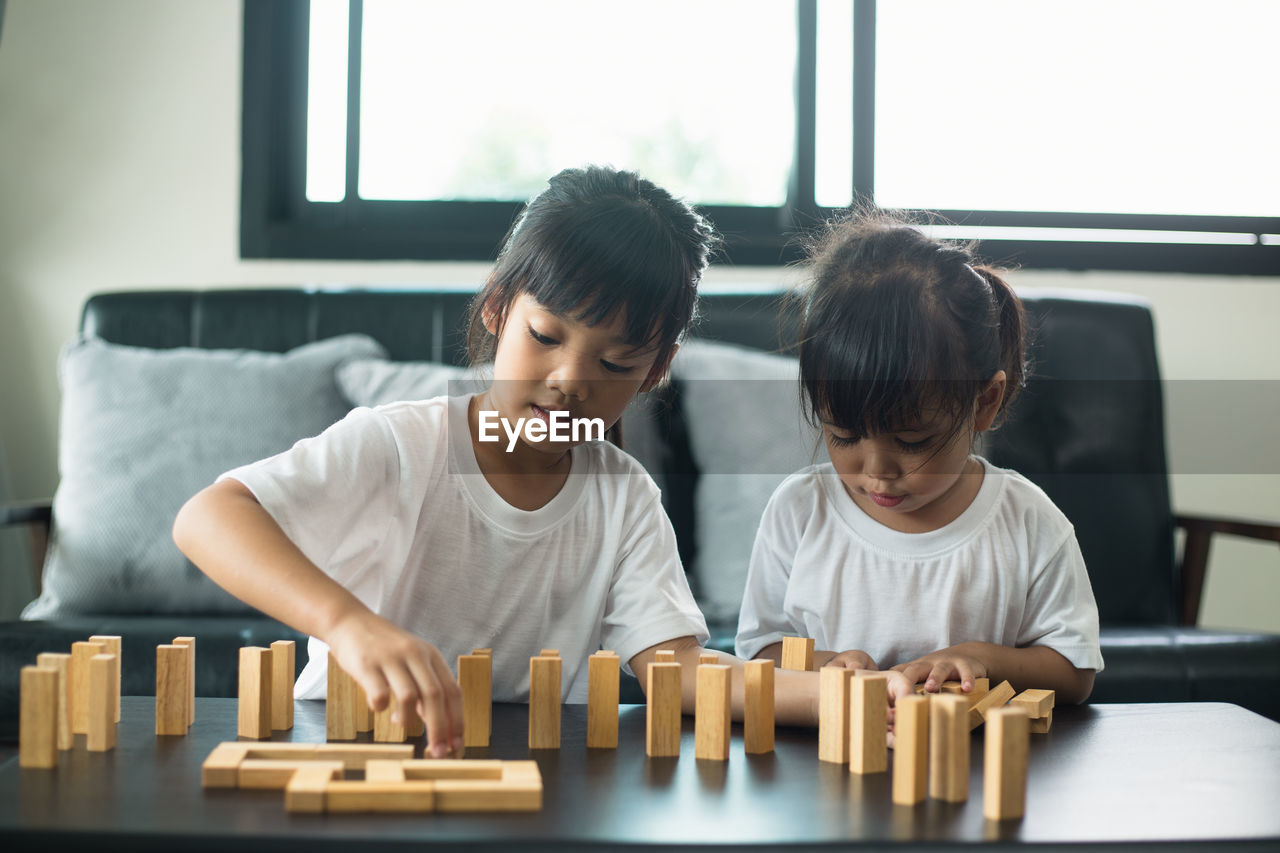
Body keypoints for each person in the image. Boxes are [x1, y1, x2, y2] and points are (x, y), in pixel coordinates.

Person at [173, 166, 823, 758]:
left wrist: (844, 696)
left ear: (654, 371)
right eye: (545, 336)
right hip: (357, 749)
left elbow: (677, 666)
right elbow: (207, 516)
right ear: (496, 307)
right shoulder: (402, 443)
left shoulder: (624, 498)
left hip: (531, 777)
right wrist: (347, 623)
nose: (570, 379)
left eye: (615, 364)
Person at [735, 211, 1103, 704]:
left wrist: (983, 658)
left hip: (974, 771)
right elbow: (760, 653)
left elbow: (1075, 673)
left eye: (911, 442)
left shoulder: (1026, 519)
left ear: (984, 403)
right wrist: (828, 666)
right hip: (823, 766)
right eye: (844, 436)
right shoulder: (801, 510)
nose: (876, 472)